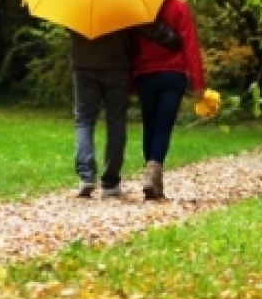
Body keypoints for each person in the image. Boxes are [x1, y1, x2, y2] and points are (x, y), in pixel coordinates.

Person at [71, 21, 181, 198]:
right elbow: (144, 25)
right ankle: (110, 182)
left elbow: (71, 26)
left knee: (84, 120)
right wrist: (171, 39)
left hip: (84, 64)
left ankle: (86, 176)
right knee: (116, 120)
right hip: (117, 65)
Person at [132, 0, 205, 200]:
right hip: (172, 76)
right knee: (163, 128)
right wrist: (198, 82)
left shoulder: (140, 11)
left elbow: (133, 47)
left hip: (145, 74)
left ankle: (152, 179)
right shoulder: (179, 7)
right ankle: (153, 177)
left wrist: (130, 80)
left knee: (150, 126)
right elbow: (190, 45)